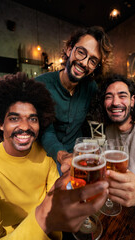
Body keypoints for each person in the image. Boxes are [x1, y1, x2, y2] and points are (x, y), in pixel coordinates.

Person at [0, 73, 109, 239]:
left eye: (32, 119)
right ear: (1, 123)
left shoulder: (46, 155)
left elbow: (57, 193)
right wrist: (42, 218)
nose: (25, 127)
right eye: (14, 118)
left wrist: (77, 184)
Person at [36, 26, 113, 174]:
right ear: (69, 49)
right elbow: (46, 131)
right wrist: (63, 156)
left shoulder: (90, 87)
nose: (84, 63)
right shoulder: (41, 85)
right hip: (46, 156)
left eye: (93, 60)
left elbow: (105, 109)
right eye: (81, 52)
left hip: (78, 155)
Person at [95, 74, 135, 212]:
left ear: (133, 101)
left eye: (122, 95)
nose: (115, 102)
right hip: (121, 209)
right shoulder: (110, 130)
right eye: (109, 96)